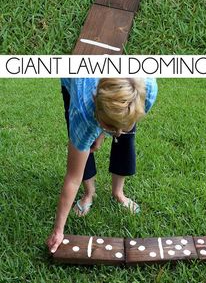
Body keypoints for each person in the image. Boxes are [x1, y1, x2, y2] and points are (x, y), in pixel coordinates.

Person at [47, 77, 158, 253]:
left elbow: (119, 127)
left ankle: (118, 193)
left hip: (112, 101)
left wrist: (107, 131)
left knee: (125, 139)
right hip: (76, 83)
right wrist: (58, 230)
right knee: (85, 145)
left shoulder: (147, 90)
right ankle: (89, 194)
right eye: (109, 126)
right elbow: (72, 178)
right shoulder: (82, 111)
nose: (118, 133)